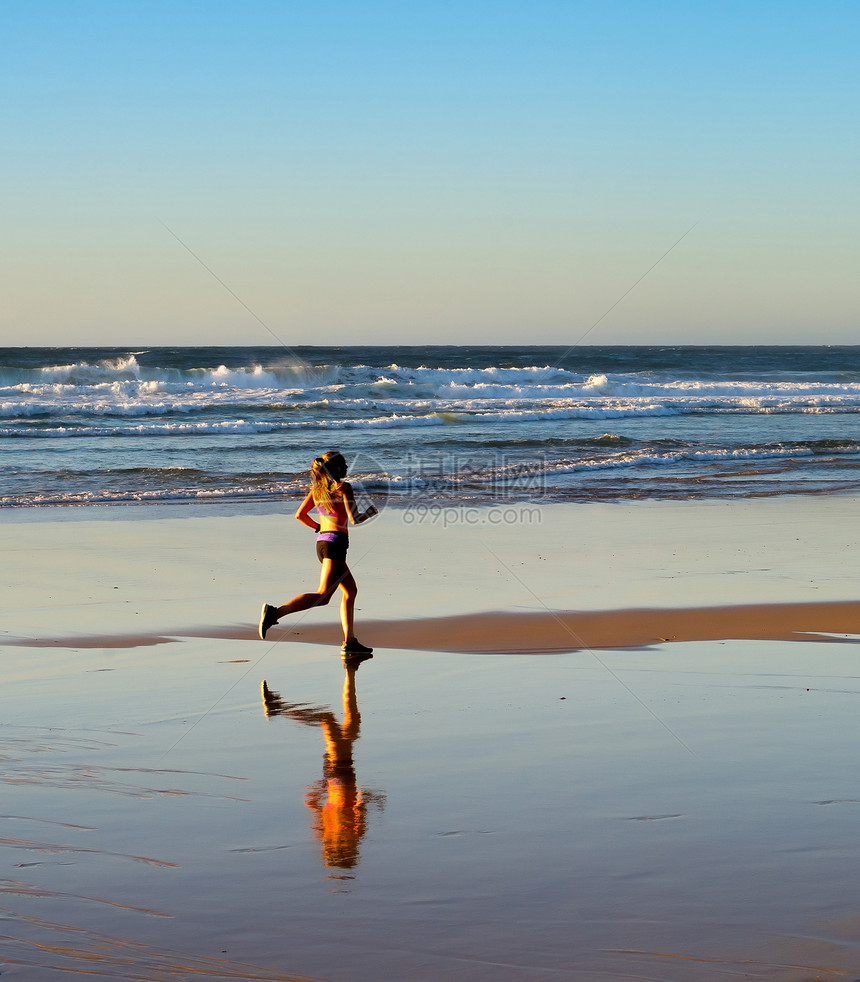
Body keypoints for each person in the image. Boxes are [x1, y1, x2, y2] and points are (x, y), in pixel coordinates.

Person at [258, 450, 378, 656]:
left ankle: (350, 642)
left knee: (350, 591)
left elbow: (300, 515)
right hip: (335, 545)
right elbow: (354, 519)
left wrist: (318, 527)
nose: (348, 469)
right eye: (345, 465)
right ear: (338, 469)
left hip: (323, 543)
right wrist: (370, 512)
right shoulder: (344, 488)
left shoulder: (317, 491)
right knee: (322, 595)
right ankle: (274, 613)